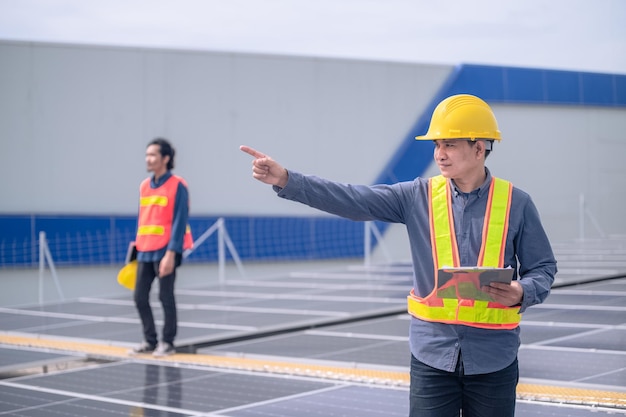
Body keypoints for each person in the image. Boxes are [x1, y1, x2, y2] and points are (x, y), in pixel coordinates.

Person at [240, 94, 557, 417]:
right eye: (436, 145)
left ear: (479, 149)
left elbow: (543, 268)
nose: (439, 154)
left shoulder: (517, 203)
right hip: (432, 357)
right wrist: (286, 180)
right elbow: (353, 199)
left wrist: (521, 292)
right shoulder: (415, 196)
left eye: (449, 145)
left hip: (494, 360)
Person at [130, 138, 193, 357]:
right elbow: (144, 218)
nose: (148, 159)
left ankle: (167, 342)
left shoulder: (178, 185)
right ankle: (150, 341)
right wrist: (135, 246)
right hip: (145, 249)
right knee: (139, 297)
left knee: (165, 297)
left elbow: (179, 221)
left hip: (166, 250)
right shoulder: (144, 186)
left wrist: (171, 253)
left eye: (153, 155)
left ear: (165, 158)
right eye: (147, 155)